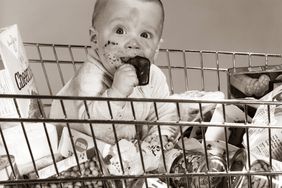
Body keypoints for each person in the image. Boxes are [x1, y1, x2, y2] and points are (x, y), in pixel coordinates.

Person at [50, 0, 179, 148]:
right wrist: (116, 94)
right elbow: (92, 129)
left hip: (120, 155)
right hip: (74, 149)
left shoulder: (154, 78)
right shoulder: (89, 79)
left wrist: (159, 135)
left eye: (145, 34)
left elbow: (163, 111)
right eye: (120, 31)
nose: (133, 43)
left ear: (157, 48)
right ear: (95, 38)